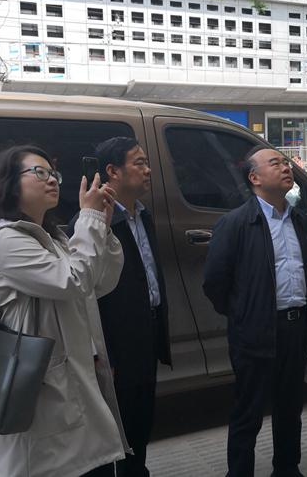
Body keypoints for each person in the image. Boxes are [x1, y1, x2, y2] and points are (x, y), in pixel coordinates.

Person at [0, 145, 128, 477]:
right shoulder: (7, 240)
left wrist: (102, 226)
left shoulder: (53, 239)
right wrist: (89, 219)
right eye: (39, 172)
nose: (52, 180)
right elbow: (73, 280)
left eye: (53, 173)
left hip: (73, 390)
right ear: (8, 183)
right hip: (41, 397)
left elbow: (99, 283)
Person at [203, 147, 307, 477]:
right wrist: (244, 313)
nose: (286, 167)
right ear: (254, 177)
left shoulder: (300, 221)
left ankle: (287, 468)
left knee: (290, 407)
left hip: (295, 328)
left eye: (286, 162)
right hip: (255, 332)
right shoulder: (236, 223)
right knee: (248, 411)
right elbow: (214, 282)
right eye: (275, 163)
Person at [72, 137, 172, 477]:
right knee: (119, 431)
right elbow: (87, 296)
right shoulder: (93, 222)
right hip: (116, 345)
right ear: (113, 171)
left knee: (141, 423)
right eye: (139, 163)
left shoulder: (142, 216)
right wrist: (105, 355)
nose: (148, 170)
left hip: (146, 334)